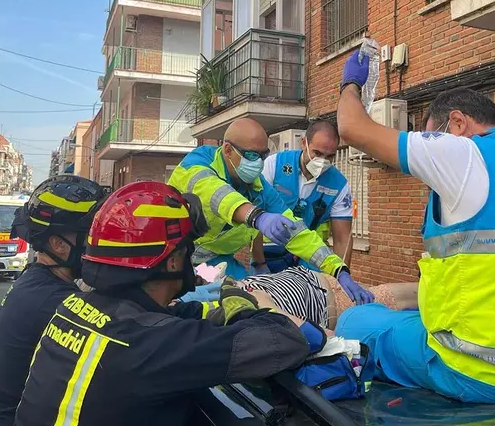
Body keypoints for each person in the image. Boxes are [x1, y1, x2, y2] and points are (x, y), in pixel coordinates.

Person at [331, 51, 495, 404]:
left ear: (457, 123)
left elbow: (351, 128)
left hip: (482, 372)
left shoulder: (463, 152)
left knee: (356, 320)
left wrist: (351, 84)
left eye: (432, 135)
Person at [14, 181, 320, 425]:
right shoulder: (153, 344)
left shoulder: (74, 307)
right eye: (188, 251)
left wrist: (212, 313)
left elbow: (164, 318)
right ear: (173, 261)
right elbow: (285, 342)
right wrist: (241, 305)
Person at [168, 118, 374, 305]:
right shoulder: (197, 165)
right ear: (228, 150)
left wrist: (338, 269)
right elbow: (216, 194)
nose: (258, 163)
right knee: (179, 307)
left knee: (248, 300)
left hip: (215, 262)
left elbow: (296, 232)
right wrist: (257, 218)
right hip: (170, 258)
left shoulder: (259, 189)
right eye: (251, 155)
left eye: (263, 155)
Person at [0, 175, 108, 426]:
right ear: (58, 244)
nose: (94, 244)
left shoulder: (36, 281)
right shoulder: (56, 302)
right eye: (88, 235)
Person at [259, 120, 354, 273]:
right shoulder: (275, 165)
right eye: (317, 153)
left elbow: (343, 239)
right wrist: (259, 263)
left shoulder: (339, 184)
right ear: (304, 143)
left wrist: (341, 275)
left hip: (310, 258)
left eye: (330, 156)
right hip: (270, 253)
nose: (322, 162)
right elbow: (256, 214)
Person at [232, 266, 418, 330]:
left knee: (417, 295)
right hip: (337, 304)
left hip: (318, 281)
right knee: (415, 296)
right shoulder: (247, 311)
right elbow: (316, 336)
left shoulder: (224, 291)